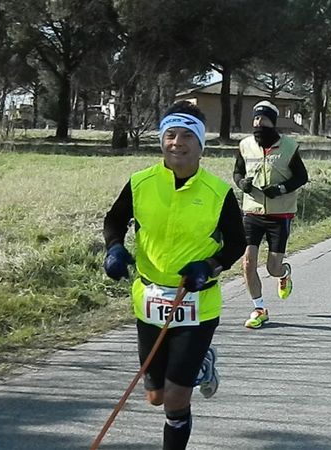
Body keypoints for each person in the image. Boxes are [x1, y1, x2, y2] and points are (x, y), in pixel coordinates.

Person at [103, 102, 246, 450]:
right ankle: (203, 365)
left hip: (197, 302)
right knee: (155, 396)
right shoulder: (140, 183)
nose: (177, 143)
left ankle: (195, 368)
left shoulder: (217, 192)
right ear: (161, 140)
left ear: (200, 144)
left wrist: (209, 266)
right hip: (150, 300)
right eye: (170, 135)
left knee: (176, 399)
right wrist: (114, 248)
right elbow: (114, 221)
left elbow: (237, 243)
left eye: (186, 136)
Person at [233, 100, 308, 329]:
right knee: (247, 263)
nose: (258, 123)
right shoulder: (245, 145)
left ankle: (284, 273)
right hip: (252, 211)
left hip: (280, 214)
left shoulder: (289, 147)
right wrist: (241, 184)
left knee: (272, 268)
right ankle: (259, 308)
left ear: (272, 123)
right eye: (255, 119)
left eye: (263, 119)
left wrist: (281, 189)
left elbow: (301, 177)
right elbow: (237, 172)